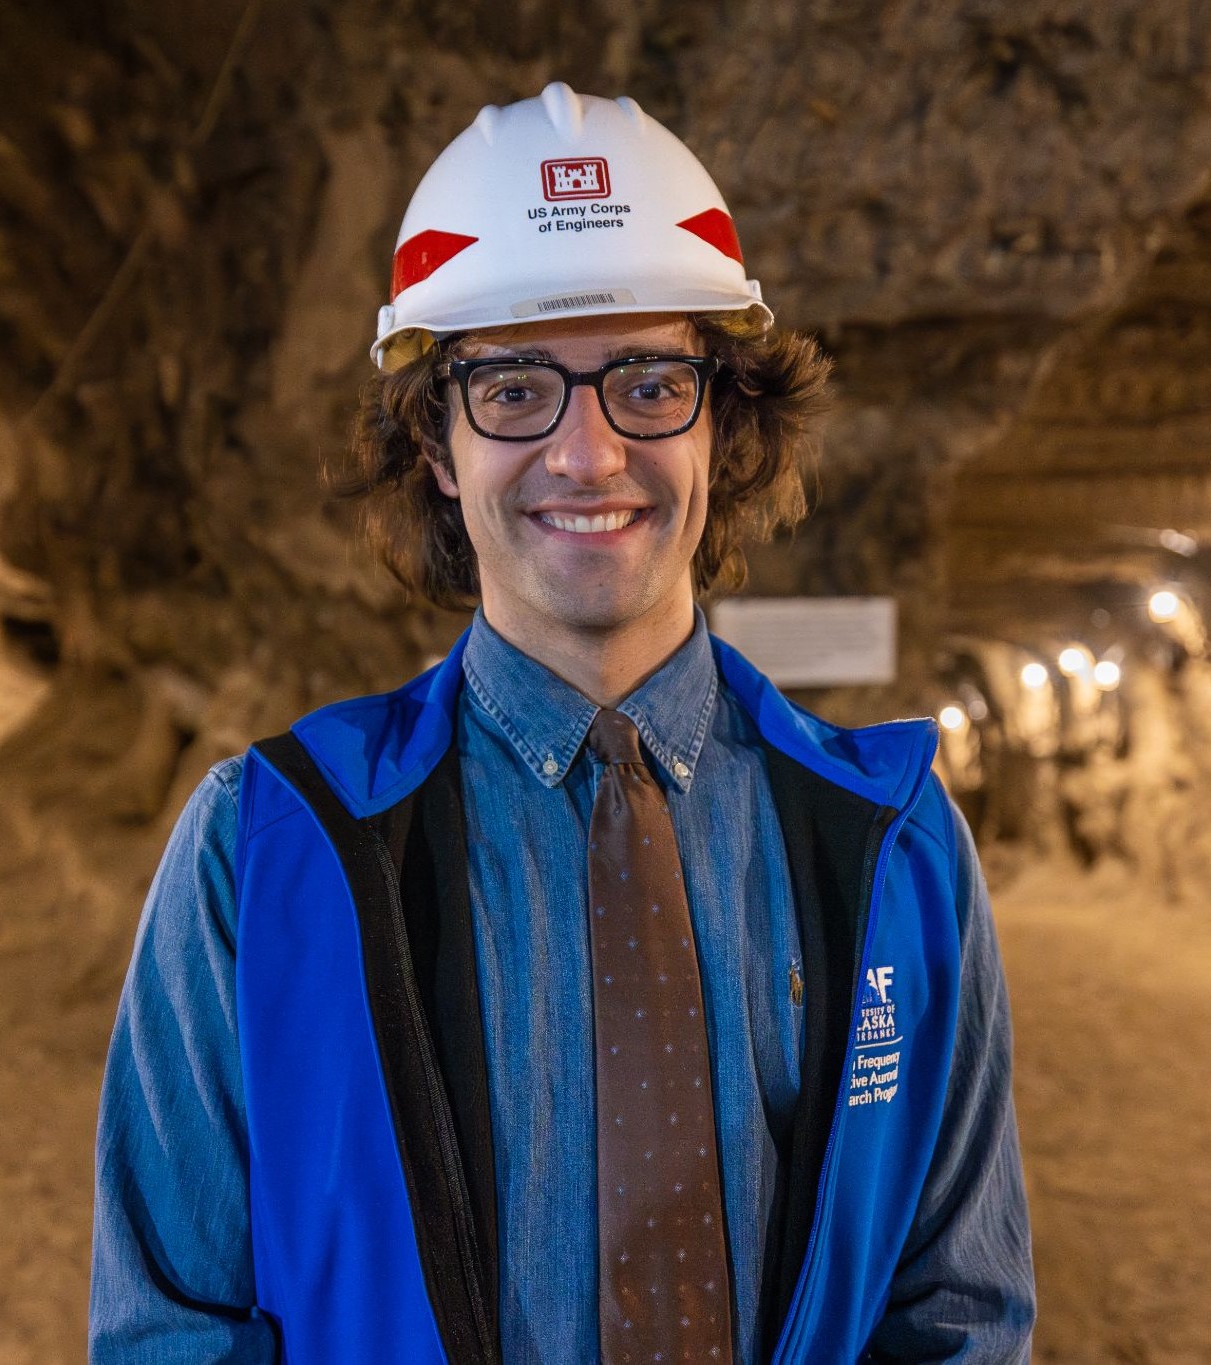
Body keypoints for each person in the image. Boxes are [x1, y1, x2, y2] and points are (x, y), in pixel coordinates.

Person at [91, 82, 1035, 1363]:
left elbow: (957, 1315)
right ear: (437, 442)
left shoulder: (895, 846)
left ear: (723, 423)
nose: (586, 456)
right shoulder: (260, 853)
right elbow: (167, 1334)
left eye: (647, 384)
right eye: (514, 388)